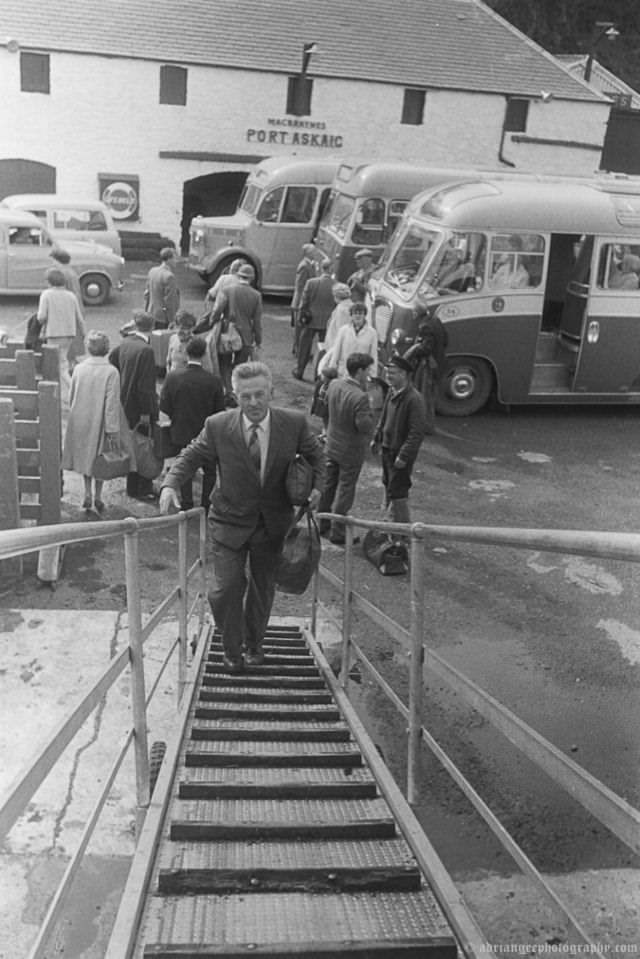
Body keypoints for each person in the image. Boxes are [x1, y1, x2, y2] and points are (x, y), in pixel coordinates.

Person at [159, 361, 325, 672]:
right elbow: (192, 455)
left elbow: (317, 455)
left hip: (273, 524)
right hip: (228, 521)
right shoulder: (218, 425)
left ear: (271, 392)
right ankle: (230, 646)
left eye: (259, 394)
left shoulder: (293, 423)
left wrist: (318, 487)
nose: (253, 402)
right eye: (245, 396)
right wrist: (170, 484)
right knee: (226, 589)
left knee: (263, 589)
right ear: (235, 396)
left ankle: (253, 644)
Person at [159, 336, 224, 510]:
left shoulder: (173, 377)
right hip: (206, 432)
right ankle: (206, 504)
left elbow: (165, 406)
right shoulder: (214, 381)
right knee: (210, 470)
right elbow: (219, 411)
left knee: (185, 466)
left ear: (186, 353)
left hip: (181, 430)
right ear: (204, 354)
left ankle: (186, 503)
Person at [62, 330, 123, 514]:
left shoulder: (79, 369)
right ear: (107, 349)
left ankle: (87, 492)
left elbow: (72, 395)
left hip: (81, 418)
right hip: (101, 420)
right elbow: (111, 404)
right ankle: (98, 496)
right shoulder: (111, 371)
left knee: (85, 456)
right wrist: (112, 430)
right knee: (101, 459)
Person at [317, 352, 375, 545]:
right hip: (350, 451)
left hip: (332, 444)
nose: (369, 374)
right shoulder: (361, 397)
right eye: (367, 370)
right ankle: (338, 531)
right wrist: (372, 414)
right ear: (359, 371)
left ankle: (322, 522)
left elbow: (326, 405)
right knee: (345, 490)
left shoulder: (334, 385)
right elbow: (363, 425)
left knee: (328, 485)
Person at [371, 353, 426, 526]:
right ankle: (390, 524)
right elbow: (384, 417)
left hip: (399, 453)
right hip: (387, 449)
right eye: (388, 372)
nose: (388, 376)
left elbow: (416, 433)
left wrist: (404, 455)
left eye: (392, 373)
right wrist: (377, 438)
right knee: (388, 484)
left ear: (403, 374)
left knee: (398, 491)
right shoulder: (391, 392)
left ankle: (402, 531)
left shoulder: (414, 399)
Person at [109, 309, 159, 500]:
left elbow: (113, 360)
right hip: (140, 407)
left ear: (136, 325)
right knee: (144, 447)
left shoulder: (125, 343)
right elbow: (145, 387)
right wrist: (147, 412)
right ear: (152, 327)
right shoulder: (146, 350)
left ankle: (131, 486)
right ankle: (143, 487)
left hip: (125, 403)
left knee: (131, 445)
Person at [37, 266, 84, 410]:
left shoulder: (46, 294)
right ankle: (66, 396)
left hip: (53, 334)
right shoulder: (71, 296)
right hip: (69, 334)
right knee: (63, 362)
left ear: (50, 281)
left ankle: (75, 393)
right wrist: (83, 333)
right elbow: (79, 318)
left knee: (60, 366)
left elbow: (41, 317)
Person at [403, 313, 448, 434]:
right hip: (437, 363)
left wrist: (414, 349)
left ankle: (425, 426)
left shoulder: (425, 327)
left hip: (427, 366)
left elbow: (426, 348)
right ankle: (426, 425)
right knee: (429, 396)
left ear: (416, 314)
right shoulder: (436, 321)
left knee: (423, 395)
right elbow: (446, 340)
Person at [293, 257, 335, 381]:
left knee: (304, 347)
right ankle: (319, 375)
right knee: (323, 349)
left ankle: (300, 370)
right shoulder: (336, 285)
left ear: (321, 268)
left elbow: (304, 302)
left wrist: (300, 318)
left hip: (310, 320)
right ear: (331, 270)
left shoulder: (311, 283)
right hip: (327, 322)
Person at [214, 262, 262, 365]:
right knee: (239, 367)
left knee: (224, 364)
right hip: (246, 336)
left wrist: (213, 321)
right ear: (252, 278)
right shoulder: (257, 295)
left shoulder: (227, 290)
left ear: (238, 275)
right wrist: (258, 340)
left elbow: (218, 310)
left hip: (227, 331)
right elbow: (257, 321)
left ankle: (227, 375)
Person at [318, 300, 378, 378]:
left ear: (364, 315)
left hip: (360, 374)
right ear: (351, 315)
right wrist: (332, 368)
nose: (357, 316)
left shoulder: (372, 333)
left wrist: (373, 375)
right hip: (343, 372)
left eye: (360, 313)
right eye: (355, 313)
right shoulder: (343, 330)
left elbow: (373, 355)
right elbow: (336, 351)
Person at [290, 243, 317, 356]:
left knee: (301, 328)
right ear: (308, 253)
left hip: (303, 301)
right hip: (301, 302)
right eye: (313, 251)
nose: (315, 253)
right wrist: (303, 302)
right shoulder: (304, 266)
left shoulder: (309, 265)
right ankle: (298, 350)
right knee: (300, 328)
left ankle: (299, 349)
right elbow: (300, 286)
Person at [144, 247, 180, 329]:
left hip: (151, 313)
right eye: (175, 258)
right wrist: (172, 320)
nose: (176, 261)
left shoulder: (152, 271)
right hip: (163, 317)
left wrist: (146, 311)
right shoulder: (169, 277)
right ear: (169, 259)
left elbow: (147, 293)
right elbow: (170, 300)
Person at [323, 282, 353, 353]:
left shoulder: (342, 309)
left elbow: (340, 329)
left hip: (337, 346)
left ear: (336, 296)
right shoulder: (351, 305)